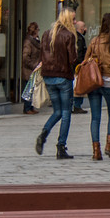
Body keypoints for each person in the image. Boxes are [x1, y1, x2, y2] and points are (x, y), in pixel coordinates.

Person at [34, 9, 78, 159]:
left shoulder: (47, 33)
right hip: (63, 77)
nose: (75, 22)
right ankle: (61, 146)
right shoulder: (68, 36)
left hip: (48, 77)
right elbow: (73, 59)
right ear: (67, 20)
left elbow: (41, 55)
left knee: (57, 111)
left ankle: (44, 133)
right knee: (66, 113)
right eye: (73, 19)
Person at [84, 12, 110, 160]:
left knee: (95, 117)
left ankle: (96, 151)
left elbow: (85, 62)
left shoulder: (94, 41)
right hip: (109, 82)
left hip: (94, 82)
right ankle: (109, 145)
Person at [21, 22, 41, 114]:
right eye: (38, 29)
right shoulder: (28, 42)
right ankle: (27, 108)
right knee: (29, 88)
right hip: (30, 69)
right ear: (35, 30)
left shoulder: (36, 40)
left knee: (33, 88)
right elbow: (25, 57)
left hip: (35, 69)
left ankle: (31, 107)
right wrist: (34, 65)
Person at [71, 20, 88, 115]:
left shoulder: (77, 37)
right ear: (80, 28)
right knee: (78, 86)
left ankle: (75, 105)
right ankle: (77, 105)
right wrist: (81, 64)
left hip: (76, 65)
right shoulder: (79, 39)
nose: (85, 28)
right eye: (84, 26)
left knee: (76, 85)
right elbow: (80, 53)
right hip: (78, 65)